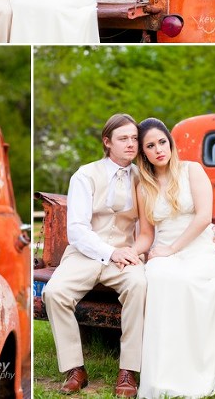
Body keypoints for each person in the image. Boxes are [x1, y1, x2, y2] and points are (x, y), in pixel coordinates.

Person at [42, 114, 145, 397]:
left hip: (125, 253)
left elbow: (151, 221)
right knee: (54, 293)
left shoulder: (141, 177)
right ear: (107, 142)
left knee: (139, 285)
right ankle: (75, 368)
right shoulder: (85, 175)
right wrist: (109, 252)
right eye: (123, 138)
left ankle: (128, 370)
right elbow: (76, 230)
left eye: (135, 138)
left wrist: (132, 253)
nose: (131, 144)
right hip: (86, 253)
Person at [133, 118, 215, 399]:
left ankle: (198, 367)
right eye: (150, 146)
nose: (158, 150)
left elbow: (204, 217)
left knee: (192, 280)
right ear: (144, 154)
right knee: (160, 277)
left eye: (162, 142)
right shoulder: (144, 187)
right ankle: (165, 372)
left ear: (170, 142)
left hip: (198, 248)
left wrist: (172, 249)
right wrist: (136, 253)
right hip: (164, 250)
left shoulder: (192, 171)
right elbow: (146, 232)